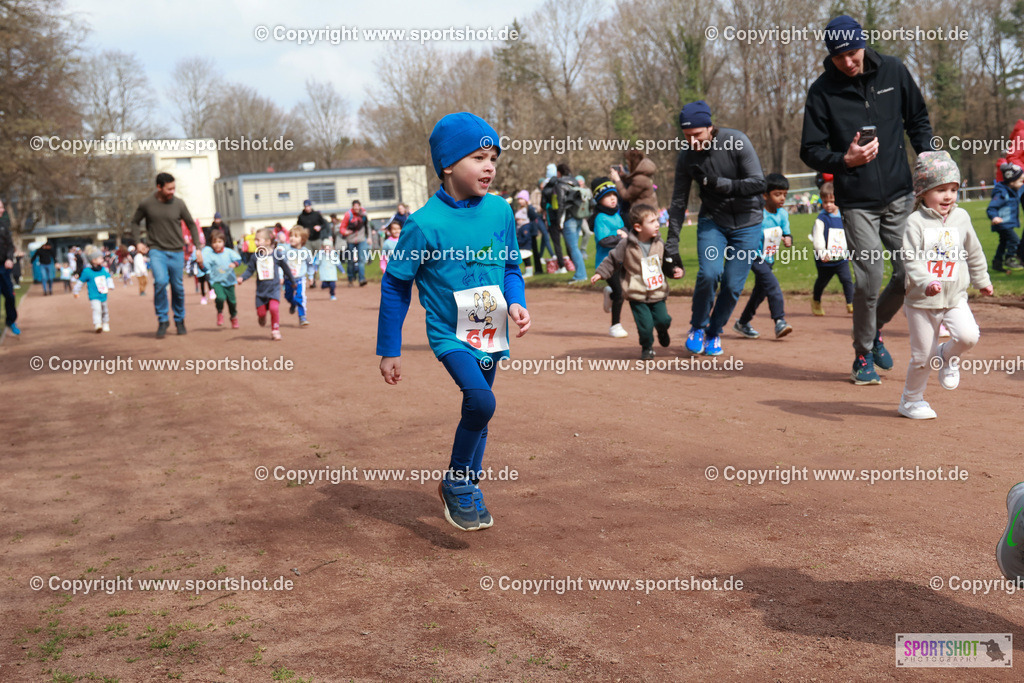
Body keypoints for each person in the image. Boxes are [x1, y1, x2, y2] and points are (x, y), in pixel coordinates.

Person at [377, 112, 530, 532]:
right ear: (447, 164)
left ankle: (468, 486)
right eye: (479, 158)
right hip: (451, 335)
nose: (489, 166)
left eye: (493, 158)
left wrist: (516, 302)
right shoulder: (423, 224)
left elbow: (511, 267)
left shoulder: (500, 211)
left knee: (479, 411)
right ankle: (457, 481)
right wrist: (390, 348)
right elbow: (395, 285)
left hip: (491, 328)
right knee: (482, 402)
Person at [800, 14, 934, 384]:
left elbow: (918, 120)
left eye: (852, 52)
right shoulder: (822, 91)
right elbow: (809, 149)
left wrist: (928, 161)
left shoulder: (893, 71)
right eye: (838, 56)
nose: (847, 61)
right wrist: (844, 160)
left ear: (863, 43)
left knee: (909, 272)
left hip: (900, 195)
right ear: (830, 56)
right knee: (868, 277)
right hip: (857, 201)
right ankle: (862, 355)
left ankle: (874, 331)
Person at [666, 99, 766, 357]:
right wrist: (671, 246)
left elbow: (758, 183)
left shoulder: (737, 141)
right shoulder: (687, 157)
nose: (692, 141)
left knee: (732, 285)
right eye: (687, 136)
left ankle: (714, 332)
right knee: (709, 274)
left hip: (748, 222)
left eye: (697, 134)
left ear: (710, 127)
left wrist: (721, 184)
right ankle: (697, 327)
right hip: (713, 221)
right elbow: (678, 203)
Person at [898, 150, 992, 418]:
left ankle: (948, 355)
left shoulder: (961, 218)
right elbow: (910, 258)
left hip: (954, 297)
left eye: (953, 189)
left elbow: (974, 251)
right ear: (923, 192)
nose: (949, 196)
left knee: (968, 336)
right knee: (923, 358)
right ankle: (911, 401)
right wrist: (926, 281)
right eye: (940, 190)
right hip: (921, 301)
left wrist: (982, 280)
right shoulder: (915, 222)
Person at [591, 204, 681, 359]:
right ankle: (647, 348)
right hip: (636, 293)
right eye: (652, 222)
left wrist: (674, 270)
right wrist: (601, 273)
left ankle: (662, 331)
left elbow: (666, 263)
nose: (657, 224)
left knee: (663, 320)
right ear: (638, 227)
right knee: (645, 326)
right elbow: (612, 259)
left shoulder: (659, 244)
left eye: (657, 220)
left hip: (657, 292)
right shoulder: (625, 245)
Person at [130, 172, 203, 338]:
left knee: (178, 288)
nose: (172, 192)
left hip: (177, 251)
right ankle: (163, 319)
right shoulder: (147, 204)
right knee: (161, 282)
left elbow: (191, 224)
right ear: (159, 187)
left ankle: (179, 319)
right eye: (169, 189)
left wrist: (197, 247)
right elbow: (134, 222)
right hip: (157, 250)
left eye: (174, 188)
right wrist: (138, 242)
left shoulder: (179, 204)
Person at [733, 173, 794, 340]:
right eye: (777, 194)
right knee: (772, 285)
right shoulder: (757, 213)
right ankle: (779, 321)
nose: (782, 198)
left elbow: (787, 232)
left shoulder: (783, 214)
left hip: (768, 258)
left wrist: (788, 239)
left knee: (760, 292)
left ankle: (743, 322)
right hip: (753, 255)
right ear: (765, 195)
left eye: (785, 194)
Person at [237, 227, 296, 341]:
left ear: (268, 241)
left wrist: (292, 281)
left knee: (274, 309)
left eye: (258, 240)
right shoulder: (255, 256)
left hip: (274, 289)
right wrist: (242, 278)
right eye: (255, 240)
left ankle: (275, 330)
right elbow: (250, 270)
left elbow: (286, 268)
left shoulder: (276, 254)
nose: (255, 242)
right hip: (261, 292)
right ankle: (262, 317)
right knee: (261, 313)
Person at [591, 177, 630, 338]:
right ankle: (615, 325)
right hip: (606, 263)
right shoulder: (600, 218)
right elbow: (604, 240)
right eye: (608, 196)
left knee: (622, 291)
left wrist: (624, 233)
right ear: (599, 200)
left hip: (620, 260)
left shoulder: (616, 215)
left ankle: (610, 293)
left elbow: (624, 229)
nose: (613, 198)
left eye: (614, 194)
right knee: (620, 292)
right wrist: (620, 236)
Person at [810, 182, 855, 315]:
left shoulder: (844, 216)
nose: (828, 205)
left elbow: (849, 235)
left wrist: (851, 251)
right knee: (822, 282)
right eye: (825, 202)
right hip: (825, 259)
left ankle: (851, 304)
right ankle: (816, 301)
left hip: (841, 258)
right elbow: (818, 238)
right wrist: (822, 252)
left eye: (832, 202)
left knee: (847, 280)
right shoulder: (821, 219)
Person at [986, 162, 1024, 272]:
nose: (1022, 184)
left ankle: (997, 262)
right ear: (1011, 181)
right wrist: (994, 217)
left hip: (1007, 223)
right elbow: (991, 207)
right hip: (1002, 223)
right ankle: (1009, 259)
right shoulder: (1002, 193)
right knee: (1015, 240)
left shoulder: (1012, 190)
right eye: (1021, 181)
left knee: (1003, 243)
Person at [201, 230, 242, 328]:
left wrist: (235, 264)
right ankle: (220, 312)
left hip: (229, 281)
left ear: (224, 242)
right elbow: (206, 269)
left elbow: (238, 260)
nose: (217, 244)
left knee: (232, 302)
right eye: (214, 242)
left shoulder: (228, 252)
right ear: (211, 243)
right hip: (217, 281)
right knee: (220, 298)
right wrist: (200, 264)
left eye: (219, 242)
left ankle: (233, 317)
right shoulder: (210, 255)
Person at [610, 150, 658, 219]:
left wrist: (617, 180)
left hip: (643, 214)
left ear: (633, 163)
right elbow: (633, 180)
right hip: (647, 211)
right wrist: (623, 175)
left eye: (628, 162)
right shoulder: (643, 175)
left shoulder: (640, 179)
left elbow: (626, 196)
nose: (627, 165)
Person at [283, 225, 314, 326]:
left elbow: (310, 265)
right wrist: (280, 275)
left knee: (300, 297)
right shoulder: (286, 250)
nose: (292, 238)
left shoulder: (305, 252)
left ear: (302, 239)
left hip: (300, 279)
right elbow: (281, 264)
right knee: (288, 296)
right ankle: (293, 304)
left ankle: (302, 316)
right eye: (291, 236)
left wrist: (311, 276)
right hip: (288, 279)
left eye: (296, 236)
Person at [79, 247, 111, 333]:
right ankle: (98, 324)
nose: (102, 259)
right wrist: (76, 291)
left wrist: (111, 285)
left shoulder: (103, 270)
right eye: (100, 258)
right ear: (93, 260)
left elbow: (108, 278)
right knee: (97, 309)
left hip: (103, 295)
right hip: (93, 295)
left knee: (104, 310)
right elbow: (80, 282)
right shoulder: (87, 271)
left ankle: (105, 323)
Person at [339, 200, 370, 286]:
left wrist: (369, 237)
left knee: (361, 259)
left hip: (361, 239)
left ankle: (362, 279)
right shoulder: (348, 215)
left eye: (357, 206)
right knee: (350, 260)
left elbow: (367, 226)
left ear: (360, 206)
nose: (356, 208)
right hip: (351, 240)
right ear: (352, 207)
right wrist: (345, 232)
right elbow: (342, 227)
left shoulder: (363, 214)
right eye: (354, 206)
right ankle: (350, 279)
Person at [0, 199, 20, 335]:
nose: (3, 210)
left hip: (3, 267)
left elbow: (10, 246)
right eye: (0, 207)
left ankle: (11, 321)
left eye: (2, 207)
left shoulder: (3, 226)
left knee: (10, 295)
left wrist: (9, 258)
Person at [513, 191, 541, 278]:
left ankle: (534, 270)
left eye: (522, 199)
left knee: (529, 252)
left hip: (527, 232)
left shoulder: (529, 208)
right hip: (520, 232)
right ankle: (528, 270)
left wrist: (529, 205)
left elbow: (534, 216)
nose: (520, 201)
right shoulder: (518, 209)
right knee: (523, 252)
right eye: (519, 199)